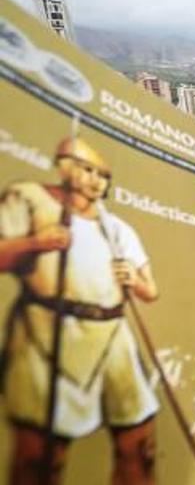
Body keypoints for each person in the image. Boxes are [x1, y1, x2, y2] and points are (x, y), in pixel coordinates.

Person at [0, 136, 160, 484]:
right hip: (47, 332)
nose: (95, 180)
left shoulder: (116, 229)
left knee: (139, 443)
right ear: (63, 165)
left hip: (111, 335)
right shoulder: (30, 199)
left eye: (102, 174)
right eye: (86, 168)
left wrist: (133, 278)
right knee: (41, 456)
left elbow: (150, 290)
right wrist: (36, 243)